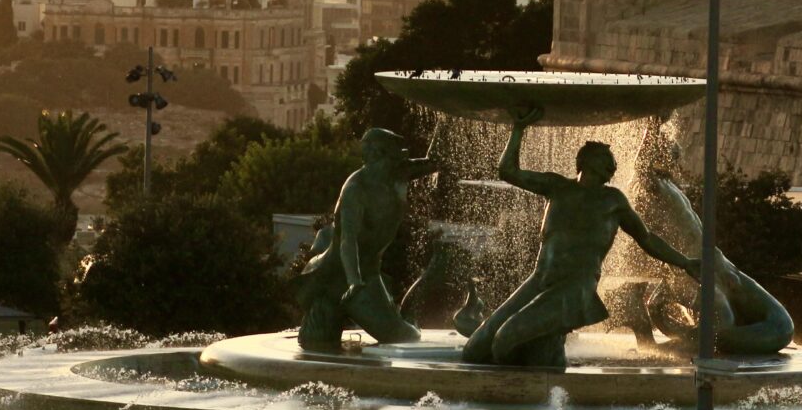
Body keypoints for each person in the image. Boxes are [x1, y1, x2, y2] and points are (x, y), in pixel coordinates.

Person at [461, 105, 700, 367]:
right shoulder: (557, 187)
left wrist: (685, 262)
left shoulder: (613, 200)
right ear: (586, 161)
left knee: (506, 339)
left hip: (575, 286)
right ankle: (547, 351)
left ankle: (532, 383)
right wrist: (518, 129)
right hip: (540, 280)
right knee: (475, 351)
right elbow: (508, 171)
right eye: (605, 157)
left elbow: (647, 238)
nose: (613, 164)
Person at [297, 129, 441, 351]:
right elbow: (348, 241)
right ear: (380, 155)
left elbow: (433, 163)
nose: (404, 157)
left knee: (396, 330)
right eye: (397, 153)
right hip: (349, 275)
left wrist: (441, 126)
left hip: (369, 269)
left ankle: (401, 316)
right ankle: (405, 319)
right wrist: (354, 281)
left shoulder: (395, 173)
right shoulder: (356, 189)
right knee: (401, 337)